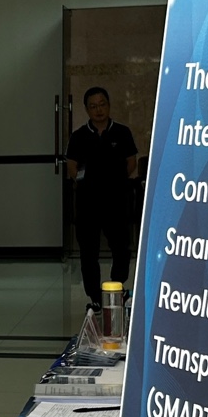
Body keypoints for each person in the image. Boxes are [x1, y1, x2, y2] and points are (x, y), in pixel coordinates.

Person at [65, 86, 138, 307]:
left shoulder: (122, 132)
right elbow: (72, 166)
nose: (98, 110)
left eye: (102, 104)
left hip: (116, 201)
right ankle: (95, 298)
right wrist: (85, 183)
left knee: (121, 248)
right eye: (93, 106)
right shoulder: (79, 136)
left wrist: (116, 182)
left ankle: (116, 288)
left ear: (109, 105)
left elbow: (131, 161)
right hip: (88, 203)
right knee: (88, 252)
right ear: (87, 109)